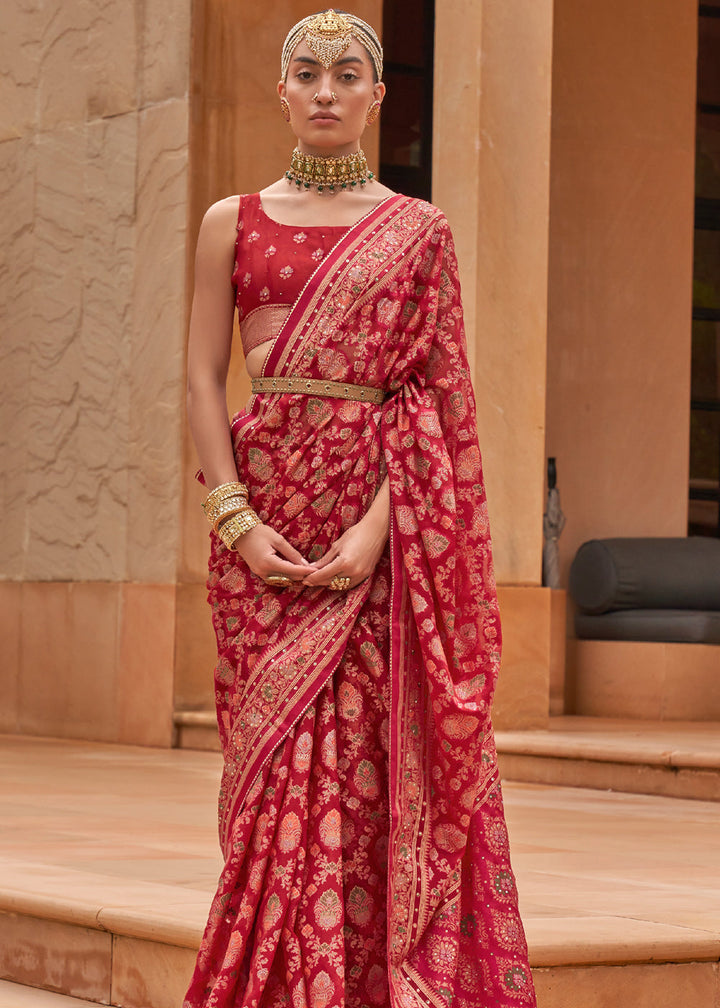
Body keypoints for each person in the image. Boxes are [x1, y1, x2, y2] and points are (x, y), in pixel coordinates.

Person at [183, 10, 537, 1008]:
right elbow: (206, 382)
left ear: (379, 98)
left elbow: (435, 403)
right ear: (282, 90)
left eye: (350, 75)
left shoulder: (419, 232)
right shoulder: (232, 220)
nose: (328, 91)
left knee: (371, 772)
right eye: (308, 73)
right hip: (265, 520)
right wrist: (236, 520)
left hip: (380, 533)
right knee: (275, 770)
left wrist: (377, 532)